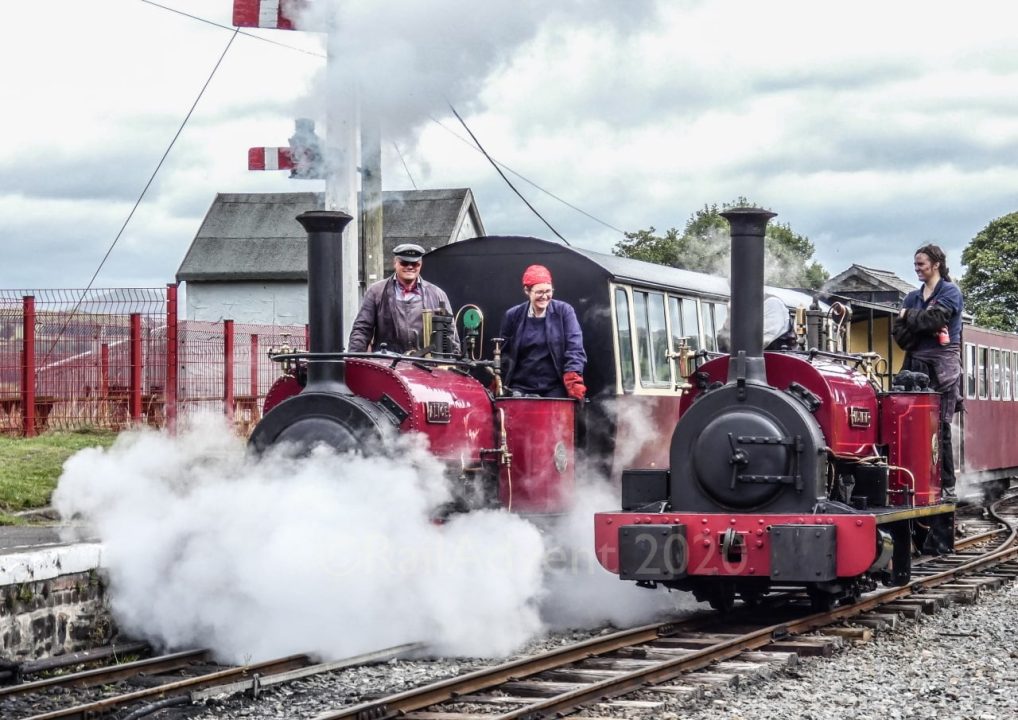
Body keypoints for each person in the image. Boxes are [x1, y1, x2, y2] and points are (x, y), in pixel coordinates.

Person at [893, 244, 964, 501]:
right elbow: (900, 334)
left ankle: (946, 485)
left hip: (941, 366)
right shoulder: (912, 296)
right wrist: (919, 322)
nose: (917, 269)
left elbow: (934, 320)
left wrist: (908, 316)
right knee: (902, 422)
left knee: (940, 427)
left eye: (921, 264)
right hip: (913, 363)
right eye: (915, 265)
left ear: (935, 264)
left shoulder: (950, 292)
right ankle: (906, 480)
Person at [348, 243, 459, 354]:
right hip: (387, 365)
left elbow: (450, 333)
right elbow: (362, 330)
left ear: (420, 265)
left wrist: (454, 363)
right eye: (404, 263)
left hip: (425, 365)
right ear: (395, 263)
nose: (410, 267)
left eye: (415, 264)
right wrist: (353, 361)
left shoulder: (437, 294)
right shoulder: (376, 292)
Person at [500, 264, 587, 399]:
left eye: (548, 291)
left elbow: (575, 348)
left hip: (555, 386)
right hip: (520, 387)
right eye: (539, 292)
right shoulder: (513, 315)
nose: (545, 296)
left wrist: (573, 378)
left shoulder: (564, 311)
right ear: (527, 291)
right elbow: (504, 353)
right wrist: (499, 380)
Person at [717, 295, 797, 353]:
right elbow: (724, 340)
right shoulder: (736, 304)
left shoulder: (772, 303)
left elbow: (762, 340)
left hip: (777, 363)